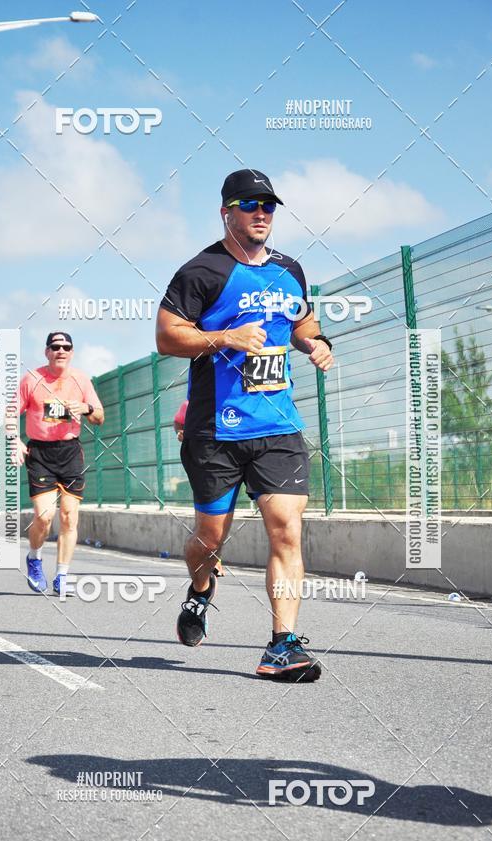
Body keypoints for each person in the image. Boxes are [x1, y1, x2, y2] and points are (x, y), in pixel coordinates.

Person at [156, 169, 334, 682]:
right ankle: (201, 590)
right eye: (251, 204)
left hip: (277, 425)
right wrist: (226, 338)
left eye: (269, 206)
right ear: (226, 211)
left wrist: (317, 344)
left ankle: (283, 645)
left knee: (287, 530)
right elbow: (168, 337)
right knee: (211, 540)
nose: (262, 213)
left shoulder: (289, 269)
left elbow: (302, 319)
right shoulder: (201, 272)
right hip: (215, 430)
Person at [16, 331, 104, 596]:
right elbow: (10, 413)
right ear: (47, 352)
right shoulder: (32, 379)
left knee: (69, 517)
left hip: (70, 452)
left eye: (66, 347)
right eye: (55, 347)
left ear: (72, 352)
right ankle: (34, 558)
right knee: (44, 517)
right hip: (40, 453)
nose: (61, 351)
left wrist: (86, 408)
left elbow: (99, 416)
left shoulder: (80, 380)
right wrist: (14, 441)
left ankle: (62, 576)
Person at [174, 398, 224, 578]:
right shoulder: (191, 402)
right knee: (207, 518)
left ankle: (213, 559)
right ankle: (213, 560)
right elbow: (178, 422)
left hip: (233, 458)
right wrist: (180, 433)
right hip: (203, 461)